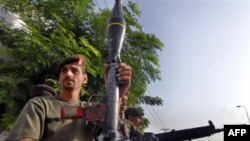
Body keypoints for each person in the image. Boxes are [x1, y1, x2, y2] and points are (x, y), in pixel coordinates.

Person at [5, 54, 132, 141]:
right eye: (64, 71)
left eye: (74, 70)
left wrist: (116, 90)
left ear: (85, 78)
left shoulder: (90, 110)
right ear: (59, 78)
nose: (68, 74)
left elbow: (108, 113)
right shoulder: (41, 105)